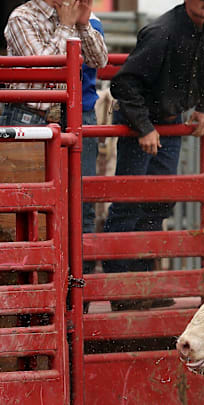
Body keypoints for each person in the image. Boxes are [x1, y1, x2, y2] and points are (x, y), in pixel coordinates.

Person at [104, 0, 204, 310]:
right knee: (130, 202)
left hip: (170, 119)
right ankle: (121, 289)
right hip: (142, 121)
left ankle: (144, 284)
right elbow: (124, 83)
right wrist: (144, 126)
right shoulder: (162, 32)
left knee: (158, 201)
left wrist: (202, 108)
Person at [2, 0, 108, 274]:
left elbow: (100, 61)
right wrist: (67, 26)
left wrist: (81, 24)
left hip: (65, 117)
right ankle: (32, 287)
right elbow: (42, 73)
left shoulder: (71, 16)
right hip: (32, 116)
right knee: (27, 207)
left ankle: (74, 287)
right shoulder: (22, 17)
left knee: (78, 204)